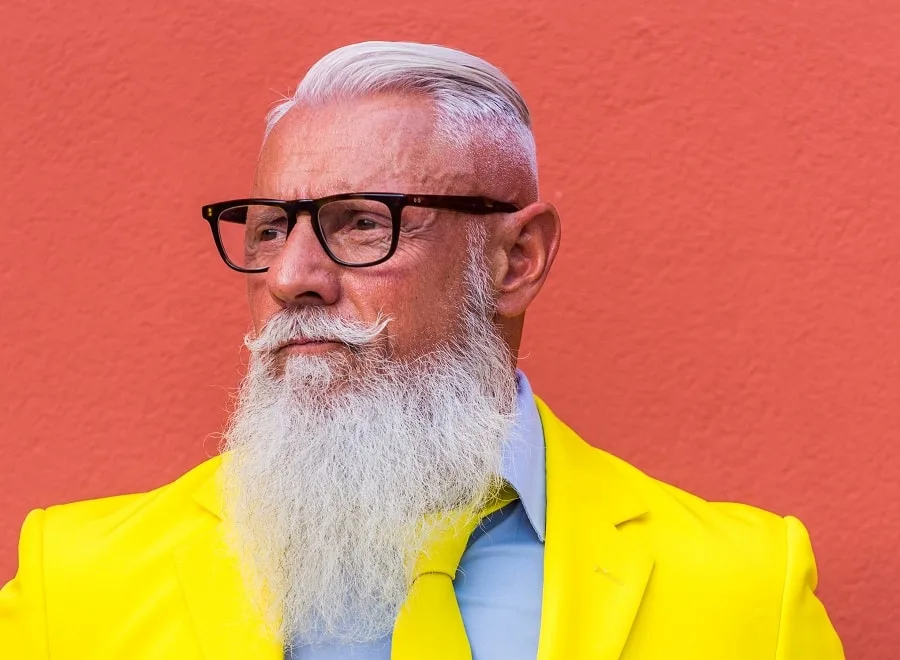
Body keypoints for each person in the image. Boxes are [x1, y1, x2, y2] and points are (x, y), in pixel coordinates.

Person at [0, 41, 843, 659]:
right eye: (266, 230)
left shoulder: (747, 587)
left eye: (361, 222)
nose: (292, 276)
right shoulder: (72, 583)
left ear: (517, 260)